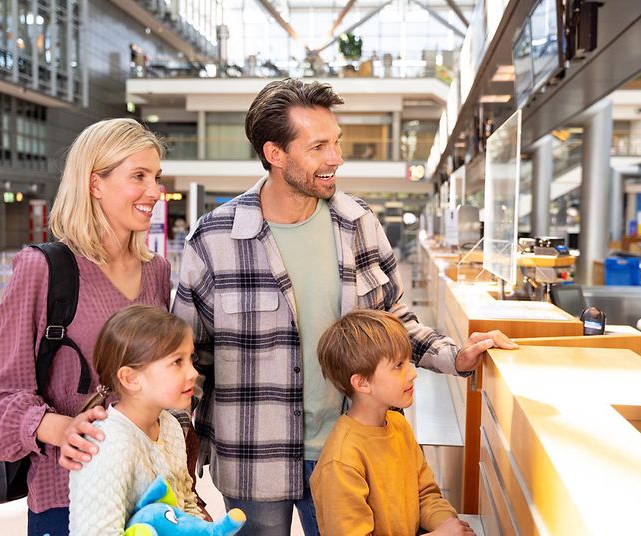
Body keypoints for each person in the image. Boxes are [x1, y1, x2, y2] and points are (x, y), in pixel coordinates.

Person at [172, 78, 515, 536]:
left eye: (336, 142)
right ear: (275, 154)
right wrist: (177, 449)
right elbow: (187, 358)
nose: (336, 157)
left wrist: (455, 357)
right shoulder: (213, 239)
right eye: (318, 147)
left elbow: (394, 322)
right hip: (251, 456)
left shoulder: (359, 225)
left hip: (349, 452)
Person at [0, 118, 171, 536]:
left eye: (156, 177)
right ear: (95, 183)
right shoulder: (43, 269)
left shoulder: (157, 272)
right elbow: (4, 394)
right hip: (68, 497)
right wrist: (59, 428)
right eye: (139, 177)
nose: (155, 191)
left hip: (146, 496)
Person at [311, 309, 474, 535]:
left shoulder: (398, 425)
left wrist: (446, 524)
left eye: (408, 362)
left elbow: (425, 495)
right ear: (362, 383)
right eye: (398, 365)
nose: (412, 373)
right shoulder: (341, 462)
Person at [69, 305, 203, 533]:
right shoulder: (108, 445)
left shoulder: (171, 425)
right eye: (177, 362)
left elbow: (185, 503)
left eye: (191, 358)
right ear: (130, 378)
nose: (193, 373)